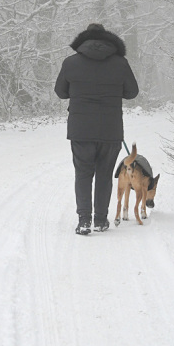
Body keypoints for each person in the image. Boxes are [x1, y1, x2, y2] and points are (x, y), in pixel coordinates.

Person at [54, 22, 139, 234]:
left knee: (83, 173)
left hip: (81, 129)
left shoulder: (71, 63)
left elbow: (61, 92)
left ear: (83, 41)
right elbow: (132, 93)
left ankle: (84, 220)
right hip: (110, 129)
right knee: (104, 174)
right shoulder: (120, 63)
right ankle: (101, 220)